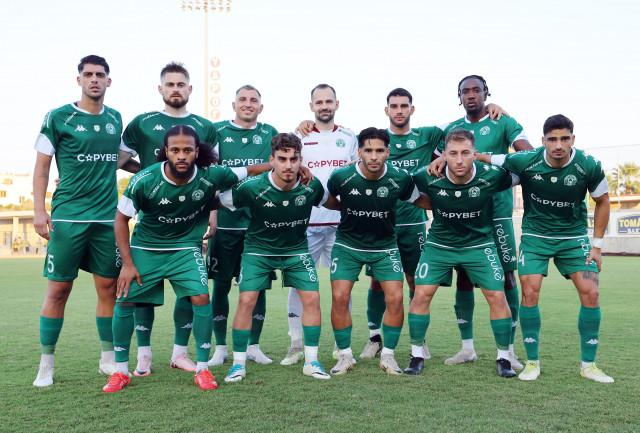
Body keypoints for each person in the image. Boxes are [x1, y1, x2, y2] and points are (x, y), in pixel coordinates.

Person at [103, 125, 270, 393]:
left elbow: (250, 171)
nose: (181, 155)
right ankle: (121, 371)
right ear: (166, 151)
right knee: (125, 300)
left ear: (197, 152)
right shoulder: (144, 180)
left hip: (184, 249)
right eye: (175, 150)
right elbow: (120, 219)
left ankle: (202, 368)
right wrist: (128, 264)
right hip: (147, 248)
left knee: (201, 297)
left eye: (188, 150)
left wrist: (284, 166)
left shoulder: (211, 175)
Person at [480, 114, 613, 383]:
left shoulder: (588, 164)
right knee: (530, 292)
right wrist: (457, 157)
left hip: (574, 239)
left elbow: (603, 201)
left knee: (591, 292)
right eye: (552, 139)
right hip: (535, 238)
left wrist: (597, 246)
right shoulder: (527, 160)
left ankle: (589, 365)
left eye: (564, 139)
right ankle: (532, 363)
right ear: (543, 141)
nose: (558, 145)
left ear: (573, 139)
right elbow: (489, 158)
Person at [32, 55, 136, 387]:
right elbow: (42, 167)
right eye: (88, 74)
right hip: (69, 217)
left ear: (109, 81)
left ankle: (107, 358)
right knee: (59, 289)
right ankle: (46, 364)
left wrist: (151, 168)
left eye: (100, 75)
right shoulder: (58, 117)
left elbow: (117, 158)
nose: (94, 79)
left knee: (108, 288)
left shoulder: (115, 118)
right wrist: (39, 210)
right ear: (78, 80)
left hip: (107, 218)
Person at [121, 62, 218, 376]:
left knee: (191, 290)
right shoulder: (143, 123)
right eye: (170, 84)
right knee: (141, 294)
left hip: (189, 224)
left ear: (190, 89)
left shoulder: (205, 126)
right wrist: (150, 175)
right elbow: (119, 158)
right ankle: (143, 355)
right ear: (160, 88)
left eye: (181, 84)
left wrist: (212, 213)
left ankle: (180, 352)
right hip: (152, 220)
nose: (175, 89)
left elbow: (212, 175)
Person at [432, 75, 532, 368]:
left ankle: (508, 349)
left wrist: (485, 157)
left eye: (477, 90)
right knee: (464, 275)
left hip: (497, 212)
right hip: (464, 214)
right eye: (465, 91)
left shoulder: (502, 121)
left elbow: (528, 155)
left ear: (487, 93)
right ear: (459, 96)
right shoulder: (450, 129)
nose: (471, 95)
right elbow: (436, 162)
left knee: (507, 276)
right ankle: (467, 348)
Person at [408, 129, 518, 377]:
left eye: (465, 153)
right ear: (444, 155)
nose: (459, 160)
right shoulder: (427, 175)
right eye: (453, 154)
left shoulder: (491, 175)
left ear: (474, 154)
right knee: (421, 294)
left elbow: (523, 171)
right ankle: (416, 355)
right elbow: (404, 188)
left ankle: (504, 358)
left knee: (496, 295)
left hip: (479, 245)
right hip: (439, 245)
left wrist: (490, 158)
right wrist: (435, 204)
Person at [222, 133, 331, 383]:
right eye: (282, 159)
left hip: (296, 251)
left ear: (301, 160)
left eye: (294, 159)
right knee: (246, 300)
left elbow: (331, 202)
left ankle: (311, 361)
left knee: (312, 298)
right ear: (272, 160)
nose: (288, 165)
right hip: (258, 251)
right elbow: (220, 200)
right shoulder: (252, 187)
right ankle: (238, 364)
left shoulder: (311, 186)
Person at [326, 127, 429, 376]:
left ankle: (388, 355)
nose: (374, 156)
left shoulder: (399, 178)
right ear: (359, 152)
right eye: (368, 150)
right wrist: (345, 209)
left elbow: (418, 200)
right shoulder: (341, 176)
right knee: (340, 297)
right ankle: (345, 355)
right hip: (348, 245)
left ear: (388, 152)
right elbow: (328, 199)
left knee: (395, 298)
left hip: (384, 247)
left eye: (380, 151)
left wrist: (450, 203)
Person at [281, 83, 358, 366]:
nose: (324, 106)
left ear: (337, 104)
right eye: (319, 102)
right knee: (298, 284)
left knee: (342, 285)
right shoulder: (299, 136)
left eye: (329, 101)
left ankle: (341, 345)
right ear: (311, 106)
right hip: (306, 223)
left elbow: (356, 174)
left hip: (340, 223)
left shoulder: (350, 137)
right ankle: (295, 344)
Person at [207, 85, 279, 367]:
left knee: (257, 287)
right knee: (221, 285)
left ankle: (253, 346)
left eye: (253, 100)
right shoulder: (217, 131)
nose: (248, 104)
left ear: (261, 106)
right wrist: (212, 214)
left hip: (259, 226)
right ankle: (220, 347)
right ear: (233, 105)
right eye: (243, 100)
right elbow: (212, 175)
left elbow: (281, 167)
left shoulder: (269, 132)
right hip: (226, 224)